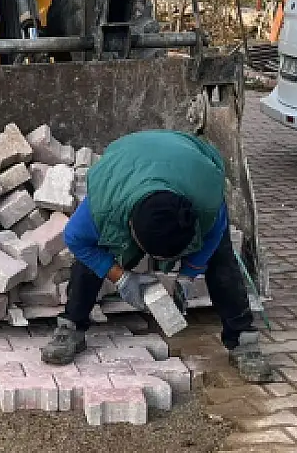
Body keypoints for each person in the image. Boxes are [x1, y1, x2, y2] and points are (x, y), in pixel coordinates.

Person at [39, 129, 272, 382]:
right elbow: (76, 240)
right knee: (94, 254)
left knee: (222, 260)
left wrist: (187, 276)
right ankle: (70, 327)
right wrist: (121, 277)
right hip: (126, 163)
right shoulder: (105, 205)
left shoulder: (206, 200)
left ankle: (243, 340)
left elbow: (214, 235)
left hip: (191, 164)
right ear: (132, 233)